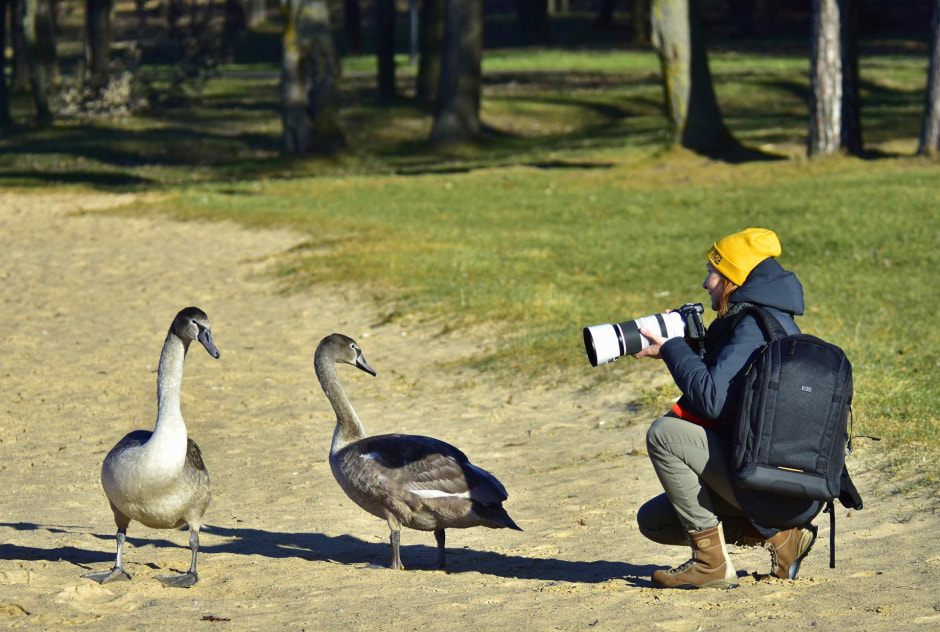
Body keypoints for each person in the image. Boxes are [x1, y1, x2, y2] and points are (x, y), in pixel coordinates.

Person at [632, 228, 822, 590]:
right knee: (656, 520)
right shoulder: (768, 319)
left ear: (734, 279)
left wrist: (674, 347)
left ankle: (711, 565)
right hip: (779, 483)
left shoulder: (752, 326)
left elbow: (710, 399)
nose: (707, 283)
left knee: (665, 435)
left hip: (767, 482)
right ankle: (783, 538)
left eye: (712, 272)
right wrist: (680, 348)